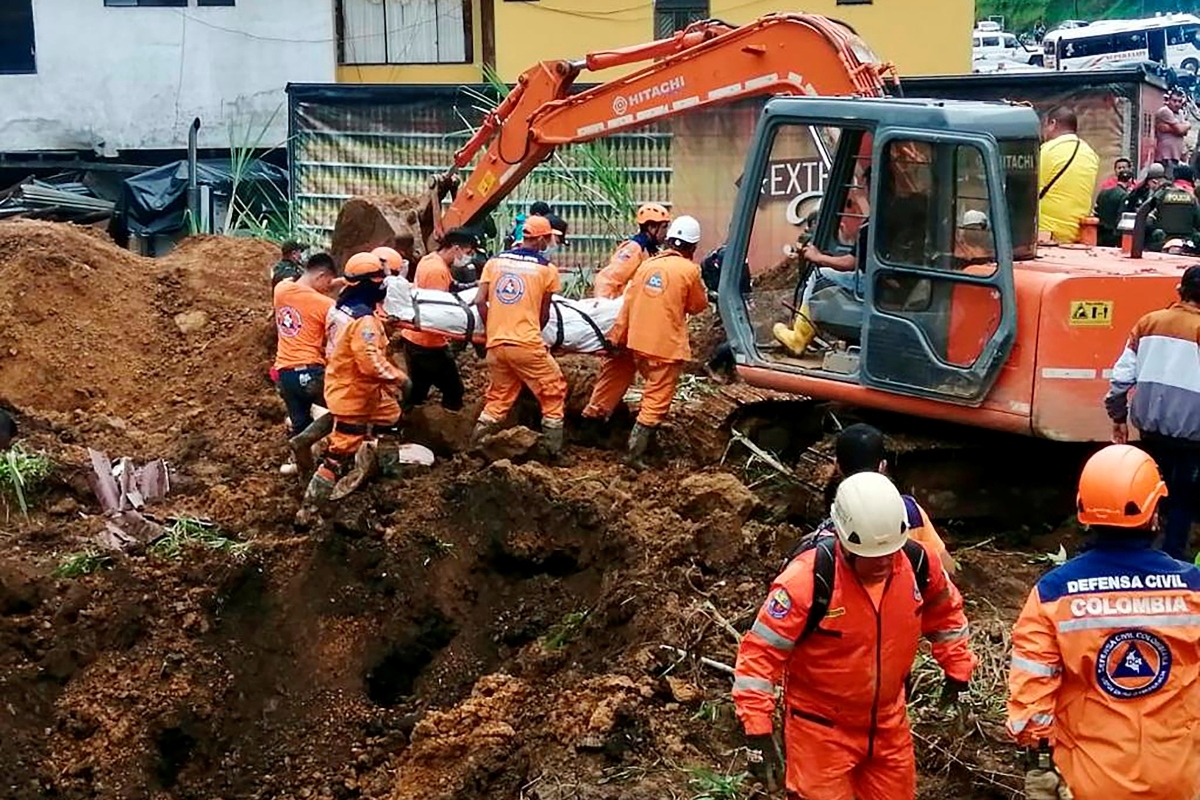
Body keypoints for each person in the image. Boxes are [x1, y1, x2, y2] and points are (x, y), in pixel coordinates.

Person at [732, 471, 976, 800]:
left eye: (890, 553)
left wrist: (958, 669)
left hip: (889, 724)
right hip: (820, 731)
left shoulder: (919, 564)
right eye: (872, 556)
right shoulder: (807, 581)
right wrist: (757, 730)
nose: (884, 563)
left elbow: (946, 614)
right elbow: (760, 656)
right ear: (845, 541)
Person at [1007, 444, 1200, 800]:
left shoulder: (1054, 593)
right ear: (1154, 513)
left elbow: (1032, 689)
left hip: (1091, 781)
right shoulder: (1193, 588)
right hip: (1179, 776)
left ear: (1084, 511)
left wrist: (1038, 761)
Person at [581, 216, 709, 467]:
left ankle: (589, 426)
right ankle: (635, 453)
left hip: (635, 342)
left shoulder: (646, 266)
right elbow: (697, 306)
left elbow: (627, 304)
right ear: (692, 248)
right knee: (656, 397)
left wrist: (616, 337)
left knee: (615, 376)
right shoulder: (689, 270)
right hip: (664, 347)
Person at [1105, 264, 1200, 560]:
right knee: (1183, 500)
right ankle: (1172, 562)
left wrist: (1118, 417)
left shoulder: (1148, 323)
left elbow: (1120, 379)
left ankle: (1140, 555)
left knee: (1152, 493)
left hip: (1150, 431)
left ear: (1179, 291)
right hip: (1193, 437)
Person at [300, 252, 410, 509]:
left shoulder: (340, 308)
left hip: (357, 388)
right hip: (355, 393)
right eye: (379, 281)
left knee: (390, 419)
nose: (383, 286)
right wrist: (399, 378)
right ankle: (309, 509)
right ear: (367, 284)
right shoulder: (364, 321)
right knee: (340, 451)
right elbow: (369, 362)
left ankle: (391, 483)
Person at [471, 215, 568, 459]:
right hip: (526, 344)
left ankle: (475, 446)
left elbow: (480, 301)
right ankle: (551, 453)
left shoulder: (494, 262)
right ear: (543, 239)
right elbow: (543, 315)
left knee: (499, 398)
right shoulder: (547, 270)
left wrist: (493, 328)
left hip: (496, 345)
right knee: (554, 390)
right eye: (548, 239)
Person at [801, 423, 956, 576]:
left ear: (838, 466)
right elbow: (948, 568)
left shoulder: (832, 527)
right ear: (882, 466)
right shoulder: (911, 512)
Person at [399, 228, 479, 412]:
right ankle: (449, 430)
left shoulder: (431, 260)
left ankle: (403, 426)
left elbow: (452, 287)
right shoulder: (436, 270)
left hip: (415, 338)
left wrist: (476, 287)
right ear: (456, 248)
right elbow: (439, 310)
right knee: (454, 390)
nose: (467, 258)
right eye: (467, 253)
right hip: (429, 343)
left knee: (418, 390)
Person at [272, 253, 336, 471]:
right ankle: (335, 460)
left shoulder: (280, 291)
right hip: (310, 373)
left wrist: (335, 280)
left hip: (284, 375)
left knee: (300, 426)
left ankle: (305, 475)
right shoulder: (326, 305)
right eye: (328, 282)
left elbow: (298, 282)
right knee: (346, 410)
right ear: (322, 275)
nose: (329, 288)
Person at [1038, 107, 1100, 244]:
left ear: (1052, 123)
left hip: (1046, 236)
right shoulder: (1090, 154)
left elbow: (1028, 192)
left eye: (1045, 126)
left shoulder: (1048, 150)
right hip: (1078, 236)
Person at [803, 169, 870, 294]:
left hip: (871, 283)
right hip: (894, 282)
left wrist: (818, 257)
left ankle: (803, 314)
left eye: (864, 188)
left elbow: (849, 263)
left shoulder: (871, 225)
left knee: (819, 274)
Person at [593, 203, 672, 299]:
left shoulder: (650, 250)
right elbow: (608, 278)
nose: (666, 233)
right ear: (652, 227)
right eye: (664, 227)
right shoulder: (634, 249)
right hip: (621, 306)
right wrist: (603, 305)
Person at [1146, 164, 1200, 250]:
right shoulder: (1192, 196)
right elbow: (1198, 221)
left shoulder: (1161, 194)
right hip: (1187, 239)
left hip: (1162, 239)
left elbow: (1147, 217)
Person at [1094, 158, 1136, 247]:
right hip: (1114, 234)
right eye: (1119, 168)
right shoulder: (1123, 195)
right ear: (1129, 181)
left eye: (1123, 167)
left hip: (1101, 232)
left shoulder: (1103, 192)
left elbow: (1096, 210)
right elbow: (1120, 216)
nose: (1121, 169)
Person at [1155, 88, 1191, 180]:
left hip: (1176, 155)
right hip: (1165, 155)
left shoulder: (1180, 113)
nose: (1177, 104)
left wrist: (1180, 128)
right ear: (1169, 101)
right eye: (1174, 101)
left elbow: (1184, 132)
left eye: (1179, 101)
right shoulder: (1165, 111)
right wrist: (1187, 124)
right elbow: (1180, 130)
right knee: (1167, 181)